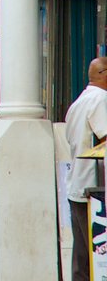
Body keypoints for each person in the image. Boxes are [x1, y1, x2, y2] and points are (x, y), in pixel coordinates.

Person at [65, 56, 107, 281]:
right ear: (104, 74)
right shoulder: (101, 99)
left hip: (77, 185)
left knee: (82, 254)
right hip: (97, 188)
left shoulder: (79, 102)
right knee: (98, 254)